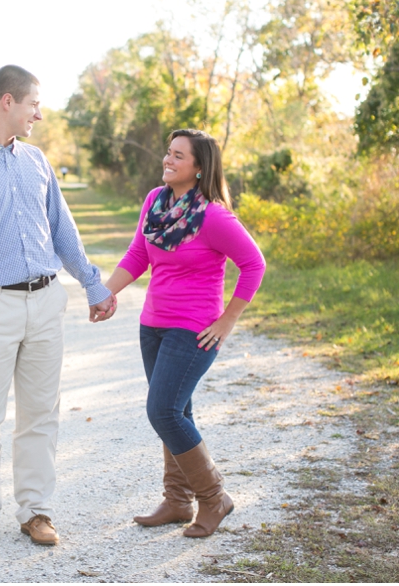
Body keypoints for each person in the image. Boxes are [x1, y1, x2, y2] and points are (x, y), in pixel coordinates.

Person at [0, 65, 116, 548]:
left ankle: (36, 511)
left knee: (40, 415)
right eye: (34, 102)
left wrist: (93, 285)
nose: (40, 111)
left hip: (46, 301)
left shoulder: (37, 162)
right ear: (6, 102)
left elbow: (63, 231)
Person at [103, 129, 265, 538]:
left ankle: (214, 498)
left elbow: (254, 264)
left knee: (163, 412)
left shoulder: (213, 216)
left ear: (198, 167)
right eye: (168, 152)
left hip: (193, 330)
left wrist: (228, 319)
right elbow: (138, 254)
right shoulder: (154, 203)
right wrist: (104, 294)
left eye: (178, 156)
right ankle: (177, 501)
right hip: (153, 326)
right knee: (178, 412)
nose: (168, 160)